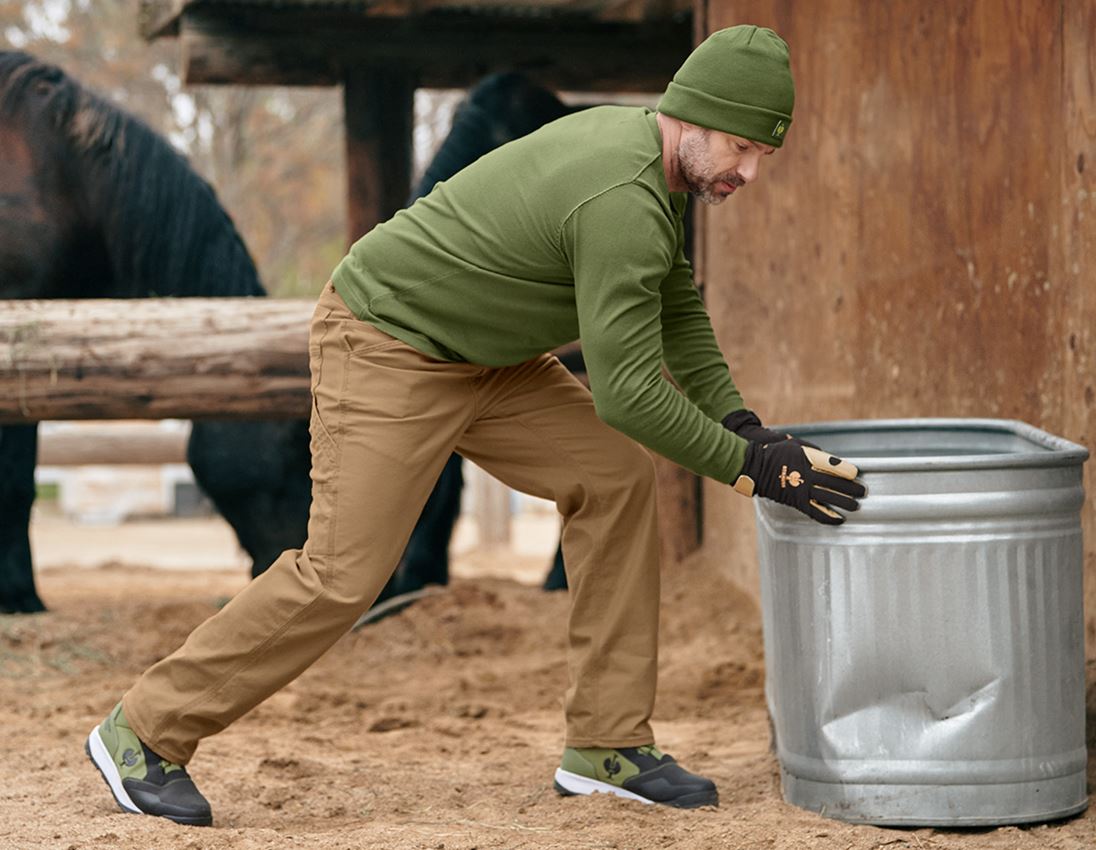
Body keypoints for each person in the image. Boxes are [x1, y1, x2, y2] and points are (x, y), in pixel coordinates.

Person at [84, 24, 865, 825]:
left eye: (763, 155)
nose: (748, 171)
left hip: (488, 359)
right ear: (694, 116)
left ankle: (607, 745)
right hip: (387, 339)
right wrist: (748, 466)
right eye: (742, 147)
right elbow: (628, 394)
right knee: (343, 574)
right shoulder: (622, 195)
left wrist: (744, 426)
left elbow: (677, 311)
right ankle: (144, 731)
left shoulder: (652, 174)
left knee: (614, 479)